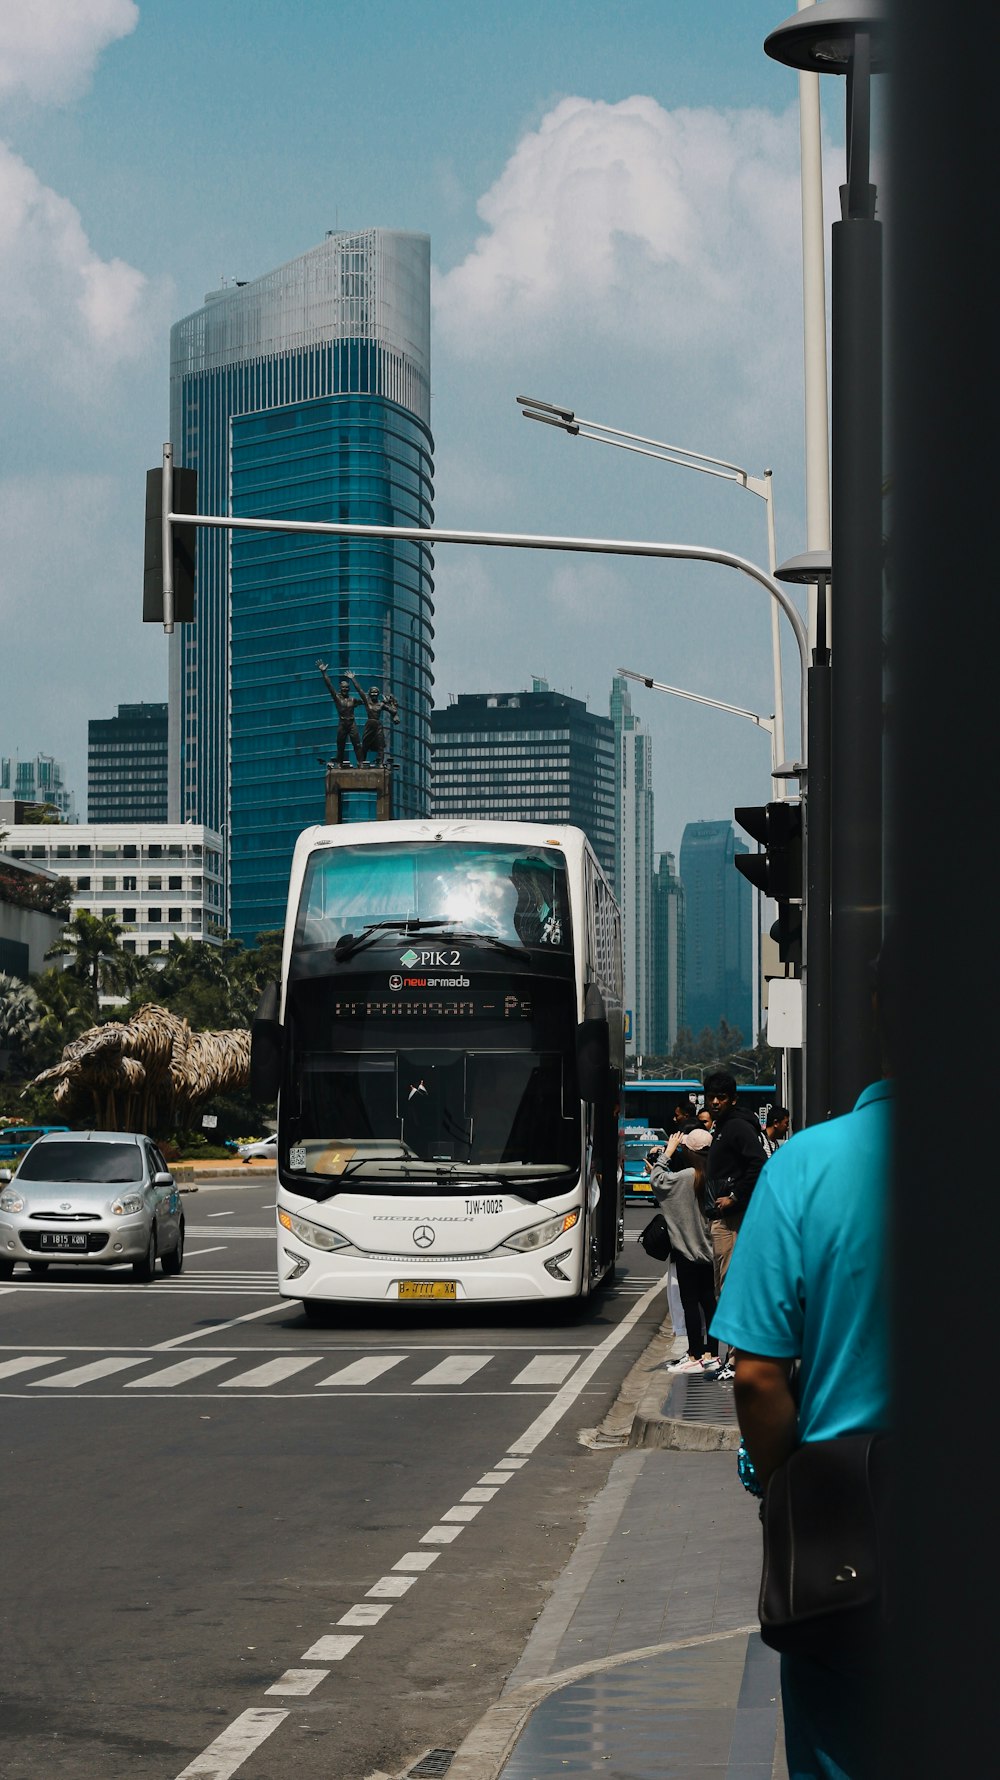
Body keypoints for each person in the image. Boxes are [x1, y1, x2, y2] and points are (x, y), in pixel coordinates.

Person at [710, 936, 893, 1780]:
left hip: (850, 1530)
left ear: (880, 1015)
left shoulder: (806, 1169)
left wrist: (782, 1484)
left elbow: (756, 1373)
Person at [702, 1069, 766, 1382]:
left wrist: (735, 1197)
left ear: (733, 1099)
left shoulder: (738, 1126)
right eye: (711, 1097)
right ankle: (732, 1357)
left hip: (733, 1219)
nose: (715, 1102)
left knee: (731, 1287)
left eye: (721, 1097)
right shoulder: (724, 1127)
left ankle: (738, 1359)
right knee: (723, 1288)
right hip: (722, 1218)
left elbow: (758, 1163)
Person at [648, 1127, 720, 1376]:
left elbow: (657, 1179)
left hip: (686, 1251)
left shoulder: (686, 1177)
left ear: (689, 1151)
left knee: (690, 1303)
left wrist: (666, 1153)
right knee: (710, 1302)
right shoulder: (715, 1174)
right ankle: (713, 1354)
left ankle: (695, 1354)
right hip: (711, 1251)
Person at [317, 662, 362, 766]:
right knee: (340, 745)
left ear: (349, 689)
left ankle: (361, 763)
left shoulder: (353, 700)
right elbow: (329, 686)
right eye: (343, 687)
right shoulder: (337, 698)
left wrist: (353, 679)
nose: (345, 689)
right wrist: (324, 673)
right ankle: (339, 764)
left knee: (357, 744)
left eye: (346, 687)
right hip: (342, 723)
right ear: (340, 689)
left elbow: (365, 699)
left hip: (351, 724)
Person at [350, 675, 399, 765]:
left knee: (380, 746)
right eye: (372, 692)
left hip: (378, 726)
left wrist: (392, 702)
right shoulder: (367, 702)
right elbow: (360, 691)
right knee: (365, 746)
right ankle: (361, 763)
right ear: (369, 694)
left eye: (376, 693)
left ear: (378, 694)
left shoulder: (381, 704)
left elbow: (393, 711)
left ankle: (380, 763)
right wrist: (353, 679)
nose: (374, 694)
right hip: (369, 725)